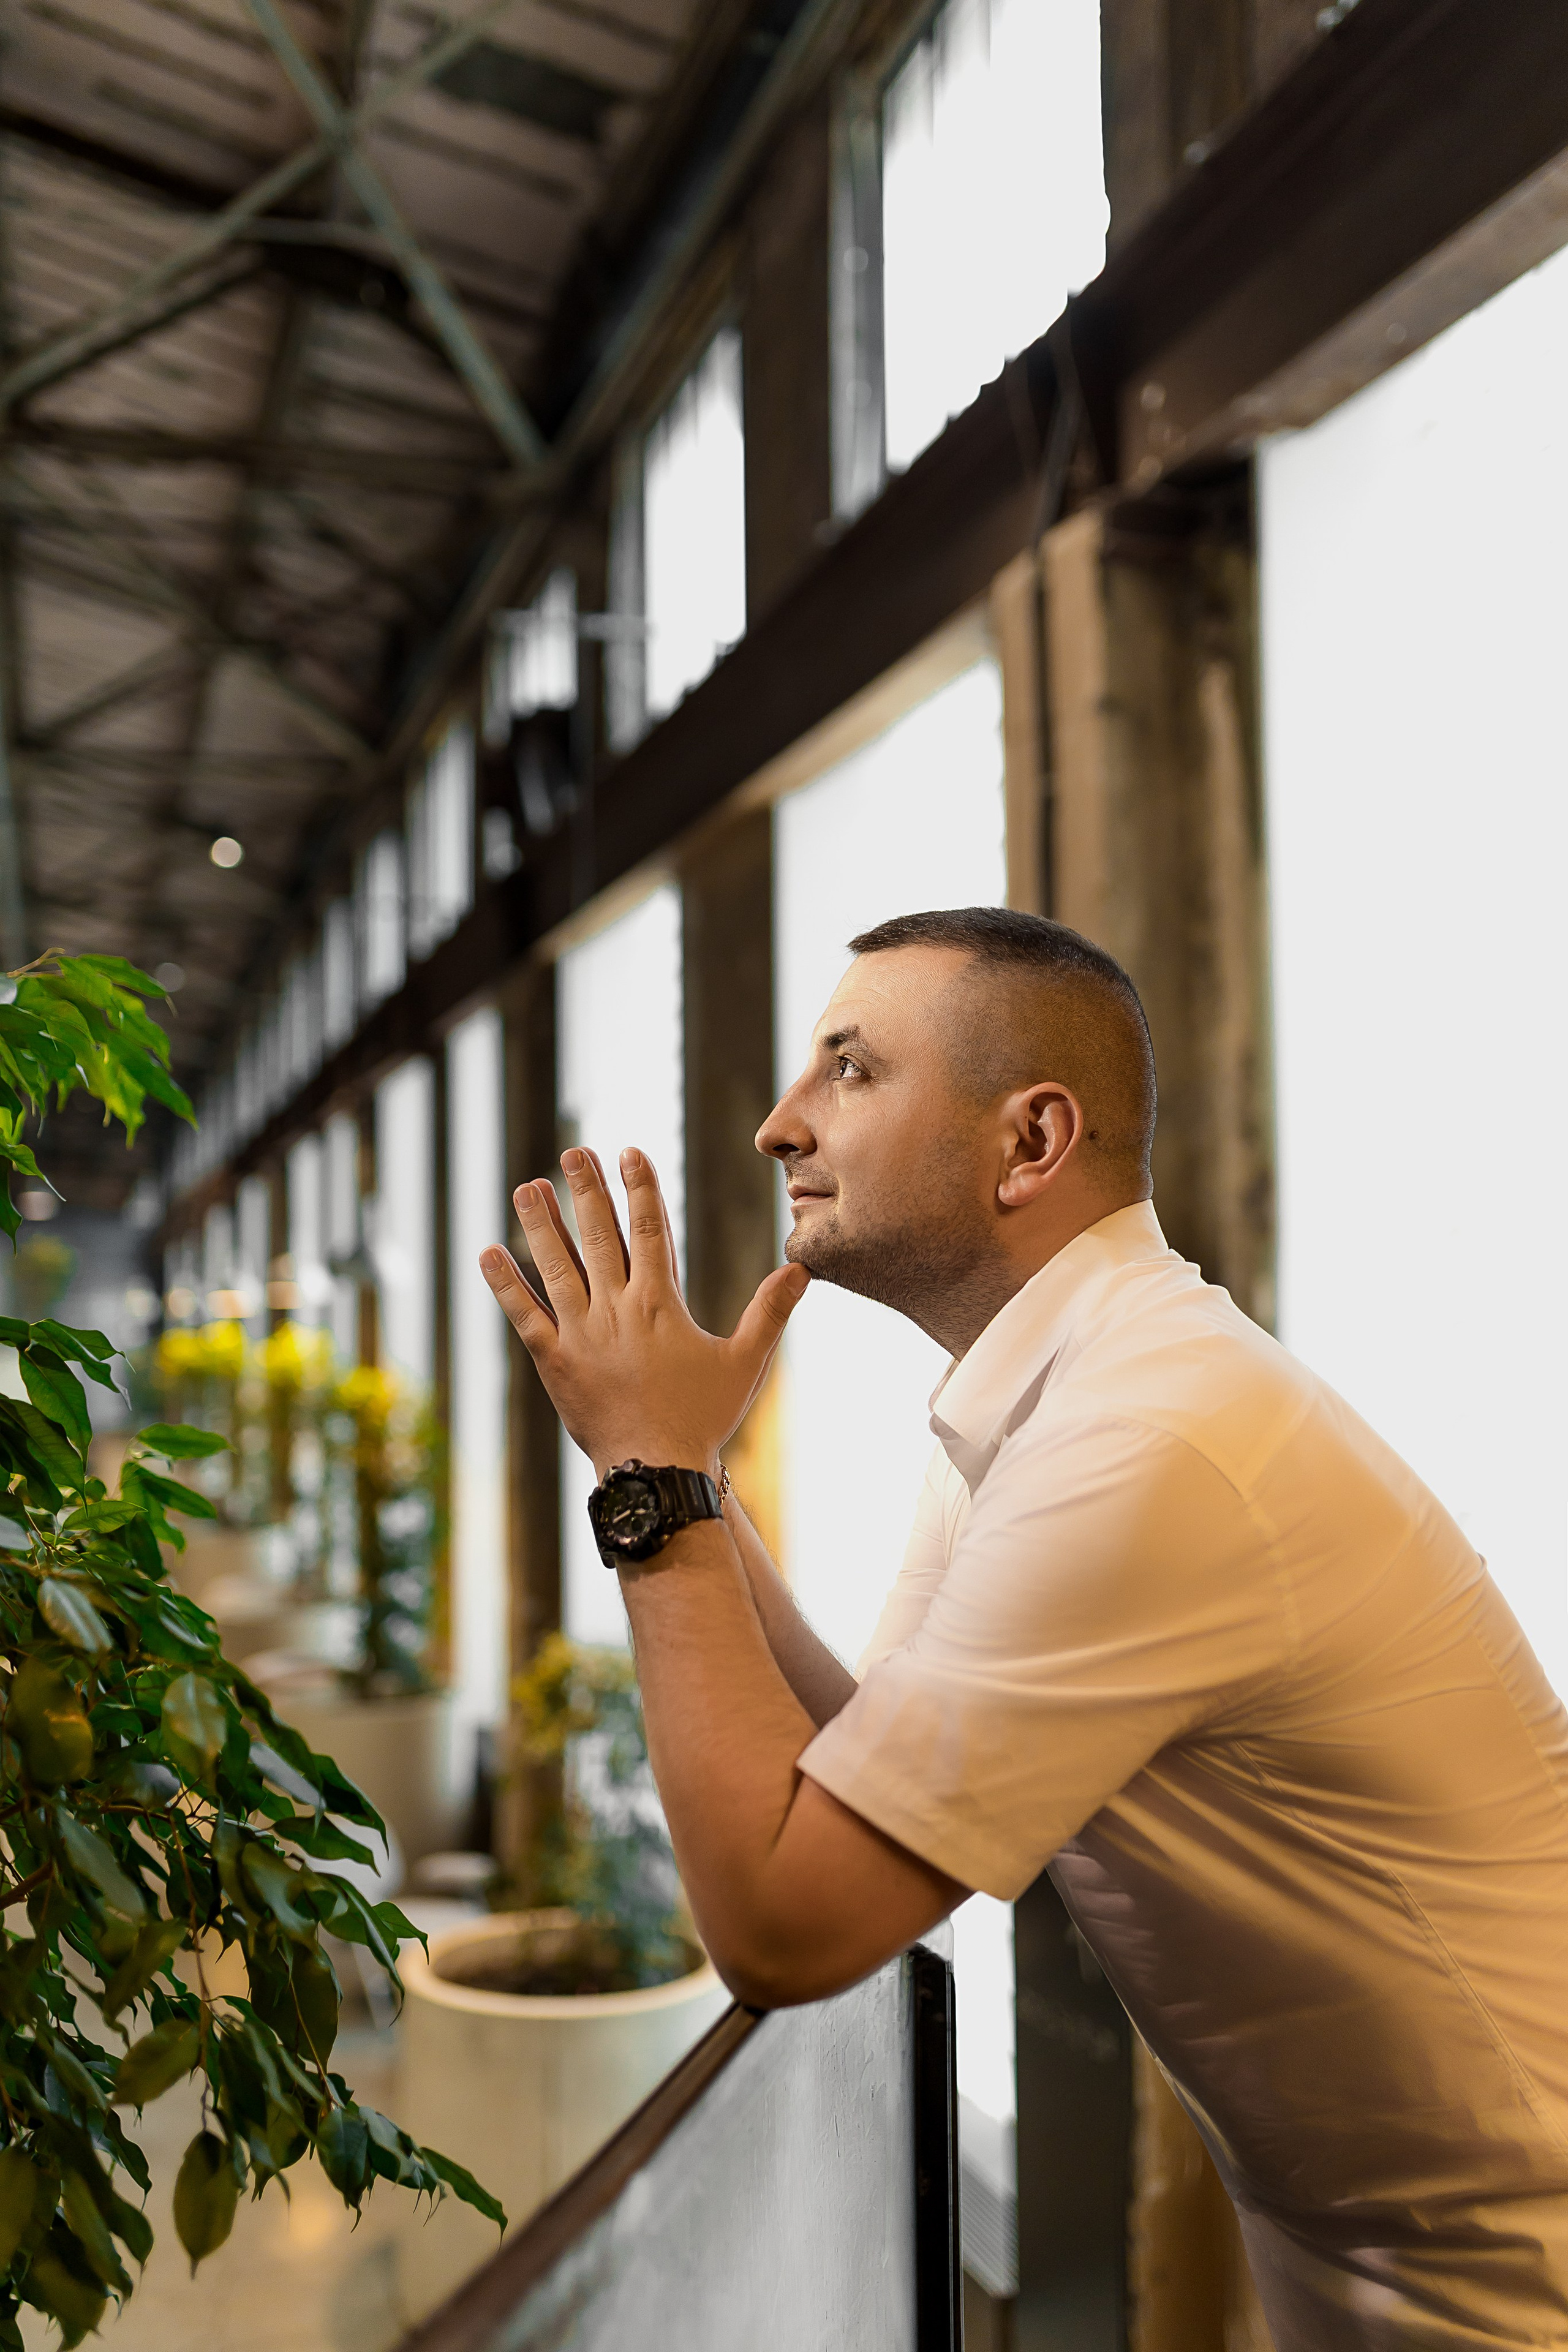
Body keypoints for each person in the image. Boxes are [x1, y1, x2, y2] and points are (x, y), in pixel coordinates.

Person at [480, 905, 1568, 2352]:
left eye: (849, 1072)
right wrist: (688, 1476)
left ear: (1031, 1142)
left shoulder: (1149, 1438)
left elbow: (790, 1926)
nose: (775, 1126)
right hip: (1389, 2257)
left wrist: (650, 1490)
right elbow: (856, 1760)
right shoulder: (1046, 1401)